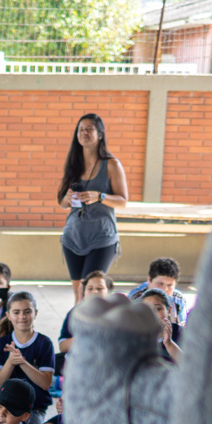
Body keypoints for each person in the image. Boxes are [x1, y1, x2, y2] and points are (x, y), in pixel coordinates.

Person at [59, 113, 127, 300]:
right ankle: (75, 329)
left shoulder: (112, 164)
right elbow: (62, 203)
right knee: (79, 294)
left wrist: (100, 196)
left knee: (93, 293)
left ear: (101, 134)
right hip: (73, 237)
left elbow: (122, 201)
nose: (84, 133)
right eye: (81, 130)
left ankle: (95, 328)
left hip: (101, 238)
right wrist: (68, 197)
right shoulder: (73, 164)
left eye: (89, 129)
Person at [0, 292, 56, 398]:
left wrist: (22, 362)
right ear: (8, 316)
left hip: (35, 406)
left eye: (27, 312)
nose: (22, 316)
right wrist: (10, 362)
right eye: (16, 312)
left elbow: (46, 384)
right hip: (6, 404)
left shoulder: (45, 343)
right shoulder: (1, 343)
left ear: (35, 313)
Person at [57, 270, 111, 364]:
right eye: (90, 288)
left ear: (108, 292)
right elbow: (63, 346)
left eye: (99, 288)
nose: (94, 292)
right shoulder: (75, 313)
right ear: (84, 292)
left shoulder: (116, 314)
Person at [126, 257, 188, 328]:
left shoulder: (179, 301)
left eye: (169, 285)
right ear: (149, 279)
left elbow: (181, 330)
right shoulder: (135, 298)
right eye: (160, 284)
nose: (165, 289)